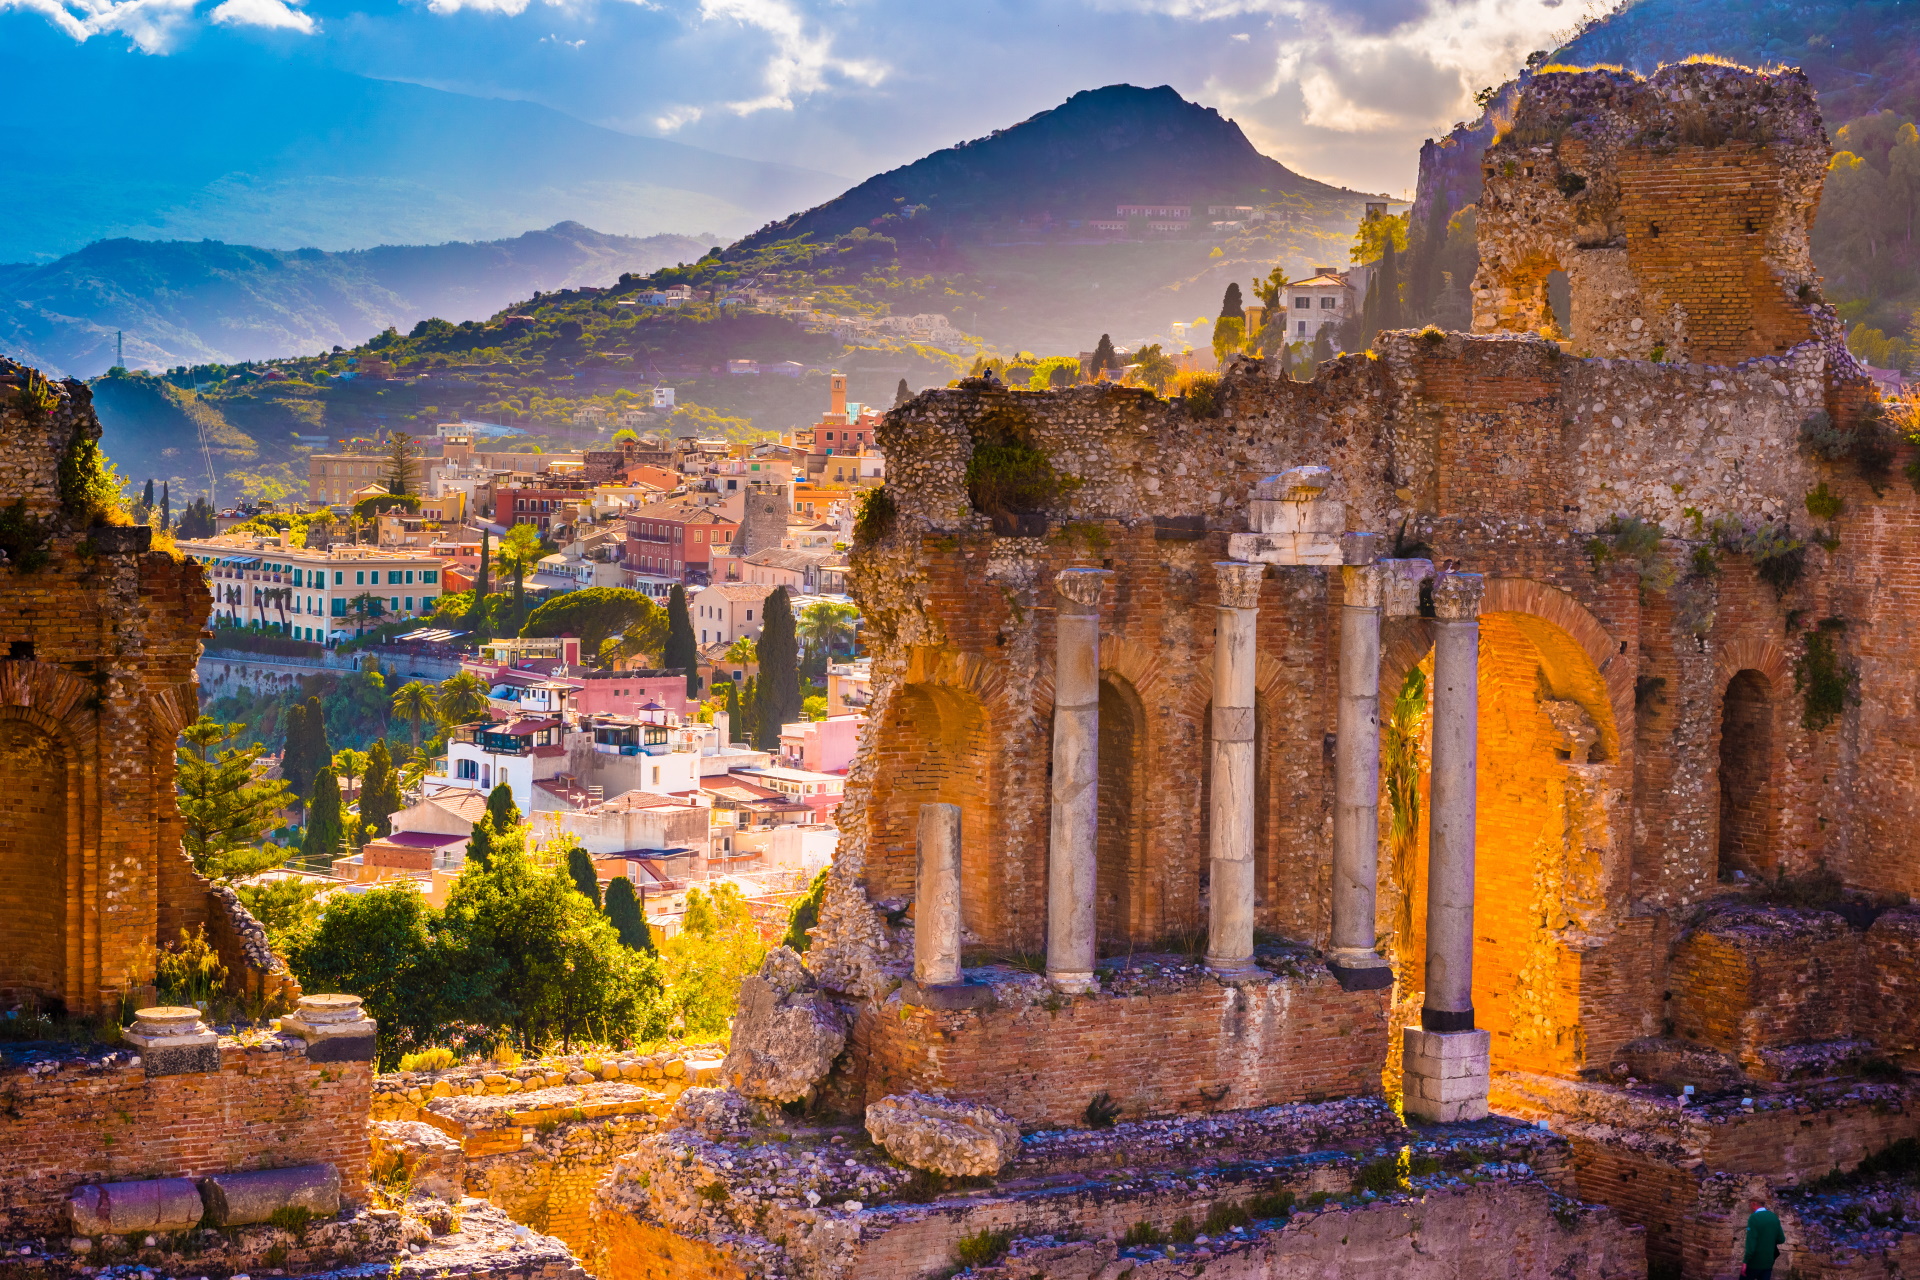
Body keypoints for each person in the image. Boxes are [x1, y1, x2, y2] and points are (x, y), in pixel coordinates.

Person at [1744, 1197, 1785, 1279]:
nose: (1749, 1208)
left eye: (1749, 1205)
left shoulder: (1754, 1217)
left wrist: (1745, 1262)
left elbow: (1751, 1244)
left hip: (1754, 1262)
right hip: (1768, 1261)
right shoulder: (1773, 1217)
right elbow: (1781, 1239)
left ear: (1754, 1204)